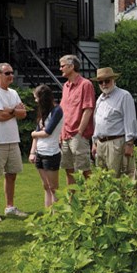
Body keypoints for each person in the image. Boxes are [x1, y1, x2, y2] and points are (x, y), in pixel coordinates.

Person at [0, 63, 28, 222]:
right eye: (7, 73)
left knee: (11, 175)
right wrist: (14, 111)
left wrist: (9, 110)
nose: (11, 76)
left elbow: (23, 114)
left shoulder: (14, 92)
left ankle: (10, 207)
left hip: (13, 140)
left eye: (12, 73)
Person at [91, 67, 137, 180]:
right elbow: (96, 122)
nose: (104, 84)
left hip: (116, 144)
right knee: (102, 178)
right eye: (100, 82)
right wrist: (94, 142)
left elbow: (130, 120)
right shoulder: (100, 99)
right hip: (101, 144)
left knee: (117, 178)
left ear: (113, 80)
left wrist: (129, 144)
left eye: (107, 81)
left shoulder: (124, 96)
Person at [59, 54, 95, 185]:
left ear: (71, 66)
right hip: (65, 135)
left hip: (78, 135)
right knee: (69, 171)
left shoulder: (85, 84)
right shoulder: (65, 87)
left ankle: (93, 199)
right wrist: (61, 133)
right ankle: (72, 202)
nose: (60, 68)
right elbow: (63, 112)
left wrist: (80, 132)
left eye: (62, 66)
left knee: (85, 170)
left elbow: (88, 109)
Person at [29, 84, 63, 208]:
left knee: (54, 187)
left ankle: (56, 217)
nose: (35, 100)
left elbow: (47, 132)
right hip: (40, 153)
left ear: (43, 98)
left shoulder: (57, 111)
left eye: (36, 98)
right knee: (46, 186)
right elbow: (39, 134)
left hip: (51, 154)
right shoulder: (43, 113)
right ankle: (48, 216)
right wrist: (32, 152)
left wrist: (33, 133)